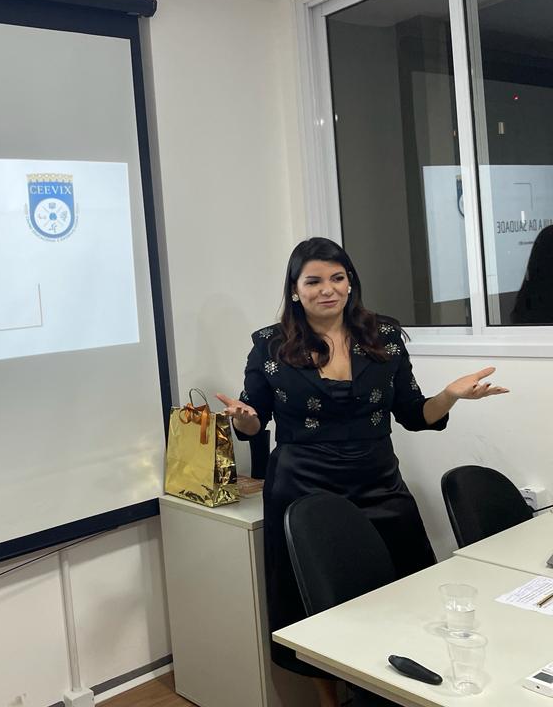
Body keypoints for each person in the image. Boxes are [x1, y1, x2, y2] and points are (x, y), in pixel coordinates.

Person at [215, 237, 507, 707]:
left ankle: (399, 691)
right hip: (303, 488)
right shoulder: (271, 345)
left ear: (350, 282)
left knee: (406, 587)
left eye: (337, 278)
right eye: (314, 281)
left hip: (378, 480)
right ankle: (332, 701)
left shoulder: (383, 335)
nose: (327, 289)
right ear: (295, 290)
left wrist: (450, 396)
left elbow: (414, 413)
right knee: (314, 601)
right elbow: (255, 420)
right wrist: (244, 420)